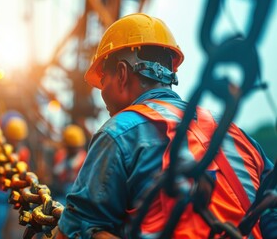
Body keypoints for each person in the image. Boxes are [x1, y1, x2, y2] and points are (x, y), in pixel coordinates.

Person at [56, 13, 277, 238]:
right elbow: (271, 208)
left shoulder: (117, 133)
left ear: (122, 73)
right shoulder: (233, 132)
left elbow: (74, 229)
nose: (102, 92)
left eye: (103, 81)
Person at [51, 124, 87, 205]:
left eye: (75, 148)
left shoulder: (84, 160)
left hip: (74, 194)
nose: (72, 150)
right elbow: (55, 174)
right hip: (58, 190)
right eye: (70, 148)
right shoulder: (60, 155)